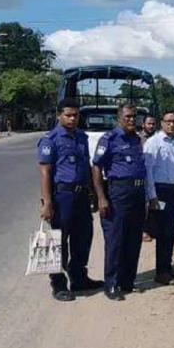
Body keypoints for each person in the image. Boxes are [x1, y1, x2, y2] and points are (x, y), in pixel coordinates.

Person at [37, 99, 103, 301]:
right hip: (62, 196)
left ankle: (79, 278)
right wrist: (48, 202)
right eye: (68, 115)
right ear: (59, 115)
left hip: (81, 195)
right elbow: (45, 172)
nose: (73, 118)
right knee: (58, 241)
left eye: (76, 115)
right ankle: (58, 283)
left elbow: (87, 167)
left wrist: (93, 194)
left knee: (83, 237)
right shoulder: (51, 139)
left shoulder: (82, 137)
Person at [92, 104, 147, 301]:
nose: (132, 120)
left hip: (138, 193)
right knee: (115, 240)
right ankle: (112, 283)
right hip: (118, 193)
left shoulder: (136, 139)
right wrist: (101, 197)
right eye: (128, 117)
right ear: (119, 118)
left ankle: (127, 280)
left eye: (134, 117)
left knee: (133, 239)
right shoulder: (109, 139)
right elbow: (97, 168)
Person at [144, 111, 174, 285]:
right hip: (161, 192)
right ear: (161, 123)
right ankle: (161, 272)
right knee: (163, 232)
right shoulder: (153, 143)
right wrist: (152, 196)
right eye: (168, 121)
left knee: (171, 231)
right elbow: (148, 172)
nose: (171, 124)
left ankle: (167, 267)